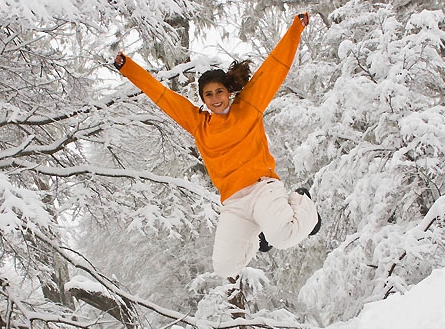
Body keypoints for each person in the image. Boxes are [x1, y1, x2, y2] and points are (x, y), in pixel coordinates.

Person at [114, 13, 320, 279]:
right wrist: (128, 68)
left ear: (228, 92)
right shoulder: (198, 123)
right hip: (234, 202)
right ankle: (260, 234)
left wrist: (295, 29)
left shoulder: (248, 106)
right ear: (203, 99)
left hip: (261, 188)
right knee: (225, 268)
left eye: (219, 92)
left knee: (284, 235)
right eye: (208, 95)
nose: (215, 99)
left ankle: (303, 201)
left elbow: (275, 67)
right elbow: (161, 95)